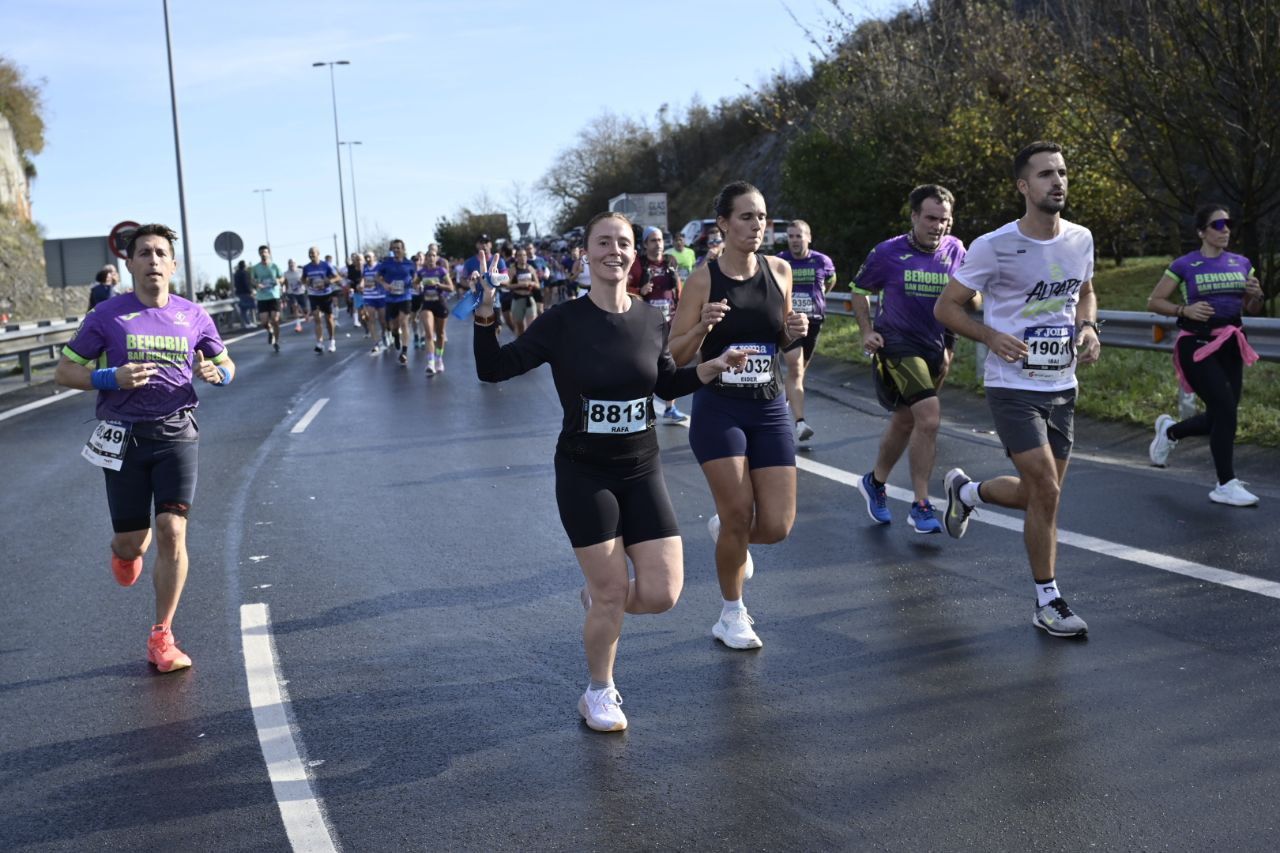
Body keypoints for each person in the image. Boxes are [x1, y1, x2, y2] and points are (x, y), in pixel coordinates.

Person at [473, 211, 746, 732]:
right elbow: (493, 369)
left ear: (634, 254)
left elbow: (664, 383)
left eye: (623, 243)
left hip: (642, 469)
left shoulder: (649, 318)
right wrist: (487, 311)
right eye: (603, 243)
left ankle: (599, 598)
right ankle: (599, 690)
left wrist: (710, 368)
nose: (613, 251)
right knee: (613, 592)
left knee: (664, 594)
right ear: (587, 255)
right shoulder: (562, 322)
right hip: (585, 473)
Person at [934, 141, 1100, 639]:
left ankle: (966, 491)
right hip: (1012, 387)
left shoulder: (1081, 239)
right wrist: (990, 336)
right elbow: (948, 308)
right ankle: (1047, 599)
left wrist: (1089, 329)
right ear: (1024, 187)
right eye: (1047, 174)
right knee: (1045, 490)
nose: (1058, 182)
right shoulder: (994, 245)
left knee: (1040, 496)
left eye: (1063, 172)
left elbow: (1085, 292)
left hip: (1061, 384)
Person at [54, 223, 237, 672]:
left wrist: (220, 374)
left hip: (177, 433)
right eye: (144, 253)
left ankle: (162, 635)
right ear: (130, 263)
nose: (153, 260)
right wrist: (108, 378)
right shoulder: (107, 316)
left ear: (173, 265)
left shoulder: (194, 315)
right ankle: (124, 552)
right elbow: (64, 372)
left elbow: (225, 360)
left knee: (173, 531)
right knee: (134, 542)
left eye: (161, 253)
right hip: (124, 436)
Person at [668, 181, 808, 650]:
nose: (756, 226)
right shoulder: (704, 279)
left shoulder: (781, 270)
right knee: (736, 514)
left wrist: (795, 331)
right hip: (719, 408)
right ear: (724, 224)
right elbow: (676, 353)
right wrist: (705, 324)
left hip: (768, 407)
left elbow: (786, 340)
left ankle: (730, 536)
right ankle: (732, 614)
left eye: (762, 217)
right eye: (746, 217)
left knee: (777, 526)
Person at [851, 187, 967, 533]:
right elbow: (858, 290)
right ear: (914, 216)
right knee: (928, 418)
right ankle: (920, 505)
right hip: (897, 345)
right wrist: (865, 331)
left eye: (944, 219)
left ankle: (875, 481)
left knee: (906, 420)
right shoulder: (888, 252)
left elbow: (958, 301)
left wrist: (950, 347)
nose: (938, 226)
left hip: (935, 346)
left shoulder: (956, 249)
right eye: (931, 218)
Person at [1146, 203, 1265, 506]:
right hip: (1196, 344)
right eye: (1218, 225)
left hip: (1231, 343)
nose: (1225, 230)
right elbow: (1155, 301)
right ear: (1201, 231)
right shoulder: (1186, 264)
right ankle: (1225, 483)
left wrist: (1256, 296)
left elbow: (1253, 309)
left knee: (1222, 413)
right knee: (1225, 407)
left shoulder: (1241, 263)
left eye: (1228, 224)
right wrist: (1184, 309)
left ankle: (1170, 432)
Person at [777, 220, 838, 443]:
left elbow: (831, 280)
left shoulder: (822, 261)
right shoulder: (781, 260)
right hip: (790, 323)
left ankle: (781, 400)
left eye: (798, 236)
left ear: (808, 237)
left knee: (799, 371)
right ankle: (800, 423)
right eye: (791, 236)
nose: (794, 240)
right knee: (795, 368)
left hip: (813, 322)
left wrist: (819, 298)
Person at [629, 225, 688, 422]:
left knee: (671, 365)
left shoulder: (670, 261)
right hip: (645, 324)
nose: (658, 244)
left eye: (661, 240)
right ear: (645, 244)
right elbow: (623, 289)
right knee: (646, 367)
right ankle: (641, 406)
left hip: (669, 321)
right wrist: (639, 290)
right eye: (653, 240)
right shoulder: (638, 264)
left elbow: (677, 289)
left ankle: (670, 407)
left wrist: (682, 312)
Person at [417, 244, 453, 373]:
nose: (431, 258)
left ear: (436, 258)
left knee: (441, 334)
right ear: (426, 258)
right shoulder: (421, 272)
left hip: (440, 303)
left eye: (433, 256)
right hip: (427, 304)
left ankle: (439, 359)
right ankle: (430, 363)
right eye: (428, 256)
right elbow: (414, 283)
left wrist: (439, 285)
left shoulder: (441, 271)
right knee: (428, 333)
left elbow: (451, 287)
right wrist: (418, 286)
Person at [301, 246, 341, 354]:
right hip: (314, 295)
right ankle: (319, 343)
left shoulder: (326, 265)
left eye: (313, 253)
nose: (311, 255)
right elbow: (303, 279)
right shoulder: (306, 267)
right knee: (317, 318)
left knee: (329, 319)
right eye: (309, 253)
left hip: (326, 295)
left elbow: (338, 277)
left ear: (318, 253)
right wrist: (307, 283)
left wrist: (328, 281)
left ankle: (332, 341)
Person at [251, 245, 283, 352]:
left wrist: (279, 281)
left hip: (274, 295)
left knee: (275, 319)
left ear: (269, 253)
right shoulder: (256, 268)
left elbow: (282, 277)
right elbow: (252, 280)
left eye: (265, 252)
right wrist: (257, 284)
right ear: (259, 254)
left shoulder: (275, 266)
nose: (263, 254)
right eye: (261, 252)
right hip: (262, 297)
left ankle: (277, 341)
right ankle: (270, 331)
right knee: (264, 321)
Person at [508, 246, 541, 336]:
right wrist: (521, 285)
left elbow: (538, 285)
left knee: (532, 326)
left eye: (524, 255)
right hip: (518, 299)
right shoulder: (513, 269)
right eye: (520, 255)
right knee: (520, 327)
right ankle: (521, 346)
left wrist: (532, 284)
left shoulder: (530, 268)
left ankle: (531, 346)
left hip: (529, 298)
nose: (522, 257)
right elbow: (507, 286)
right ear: (516, 257)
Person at [362, 251, 388, 353]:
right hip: (369, 296)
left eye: (369, 257)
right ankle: (375, 343)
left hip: (381, 295)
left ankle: (384, 333)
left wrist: (380, 280)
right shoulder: (364, 267)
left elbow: (386, 279)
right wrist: (361, 284)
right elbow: (363, 279)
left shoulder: (381, 267)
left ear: (374, 257)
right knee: (370, 319)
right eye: (366, 257)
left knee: (382, 320)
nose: (367, 259)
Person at [233, 260, 255, 328]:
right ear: (244, 266)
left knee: (243, 309)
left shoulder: (236, 274)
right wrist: (250, 291)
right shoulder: (244, 273)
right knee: (249, 307)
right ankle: (249, 322)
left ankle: (246, 323)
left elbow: (236, 284)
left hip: (239, 293)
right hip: (245, 293)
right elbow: (246, 283)